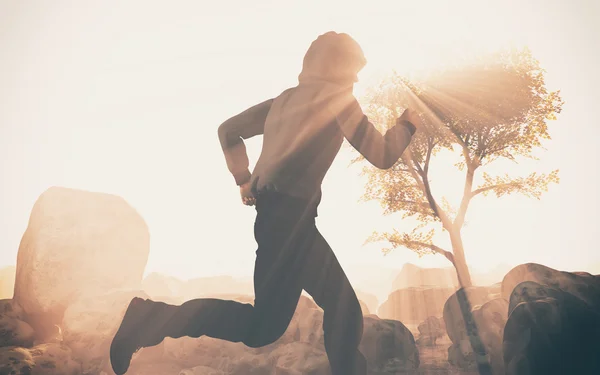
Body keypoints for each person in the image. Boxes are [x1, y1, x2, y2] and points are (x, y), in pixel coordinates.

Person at [109, 31, 421, 375]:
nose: (357, 78)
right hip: (290, 219)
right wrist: (406, 125)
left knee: (264, 327)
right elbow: (381, 154)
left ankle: (149, 317)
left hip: (276, 217)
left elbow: (228, 130)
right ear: (336, 66)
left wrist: (243, 178)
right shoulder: (339, 99)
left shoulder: (283, 101)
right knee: (341, 308)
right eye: (353, 69)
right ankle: (148, 318)